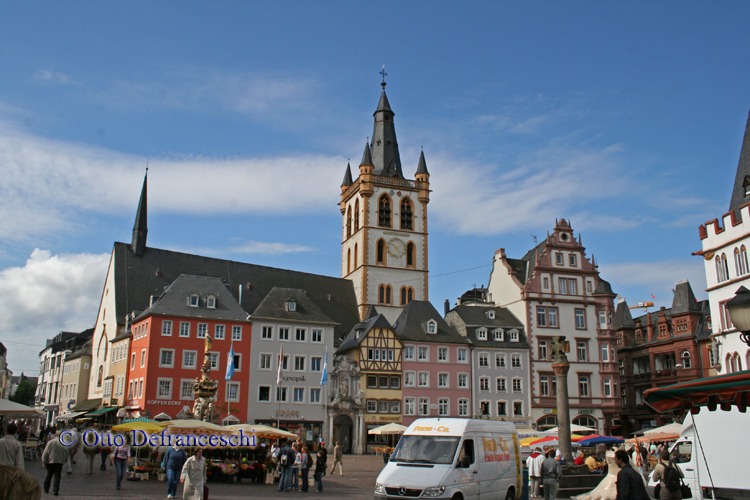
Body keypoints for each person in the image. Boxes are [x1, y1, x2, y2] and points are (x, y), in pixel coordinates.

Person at [42, 427, 68, 496]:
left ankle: (46, 488)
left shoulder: (50, 442)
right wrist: (64, 460)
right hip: (59, 461)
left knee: (49, 475)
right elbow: (66, 453)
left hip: (51, 461)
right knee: (57, 476)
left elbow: (45, 453)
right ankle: (56, 490)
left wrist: (44, 461)